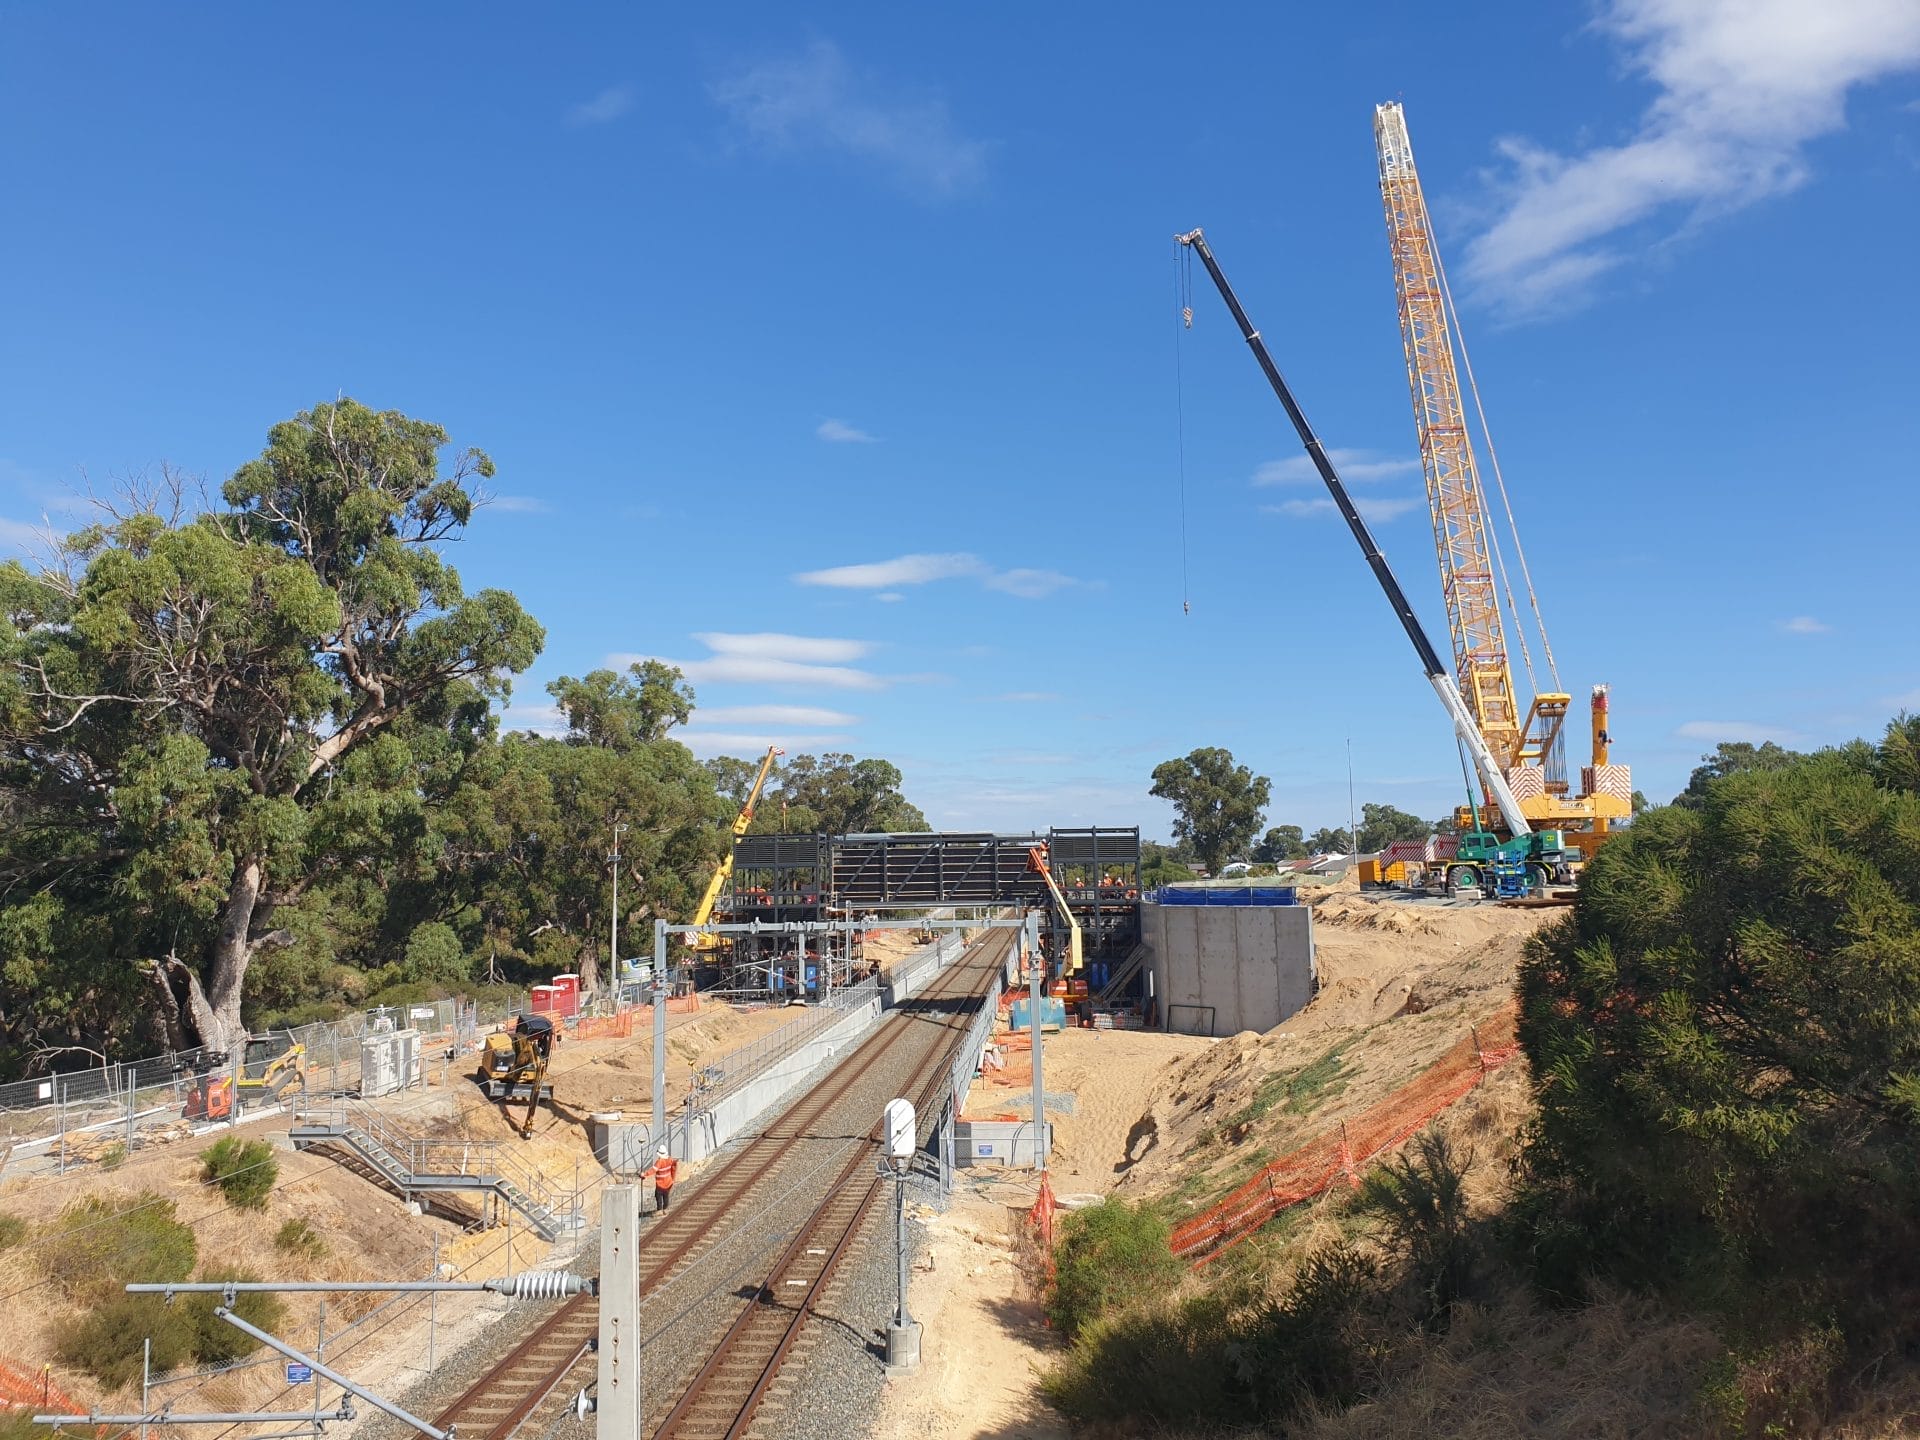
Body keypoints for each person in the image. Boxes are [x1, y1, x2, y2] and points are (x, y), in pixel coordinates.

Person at [644, 1144, 678, 1213]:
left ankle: (659, 1210)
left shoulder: (660, 1161)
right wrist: (673, 1179)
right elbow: (673, 1169)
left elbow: (653, 1170)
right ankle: (665, 1209)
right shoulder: (670, 1159)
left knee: (658, 1196)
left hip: (660, 1184)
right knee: (666, 1196)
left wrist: (644, 1174)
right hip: (668, 1183)